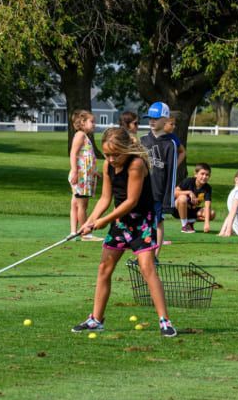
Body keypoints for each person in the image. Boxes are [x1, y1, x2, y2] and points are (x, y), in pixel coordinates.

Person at [72, 126, 177, 337]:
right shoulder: (107, 166)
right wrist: (89, 222)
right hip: (120, 223)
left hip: (142, 223)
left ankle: (165, 321)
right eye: (107, 154)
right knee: (104, 268)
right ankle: (96, 319)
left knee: (147, 268)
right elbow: (105, 199)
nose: (111, 159)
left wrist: (103, 221)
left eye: (115, 154)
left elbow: (131, 201)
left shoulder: (136, 164)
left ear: (126, 149)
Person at [140, 102, 178, 258]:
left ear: (165, 119)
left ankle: (154, 256)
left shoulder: (170, 145)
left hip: (158, 192)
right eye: (150, 118)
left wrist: (168, 201)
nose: (152, 121)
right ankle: (143, 255)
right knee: (143, 224)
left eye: (156, 118)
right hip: (142, 192)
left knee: (158, 222)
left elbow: (172, 173)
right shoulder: (142, 140)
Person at [68, 109, 101, 241]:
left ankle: (73, 232)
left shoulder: (85, 137)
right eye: (91, 121)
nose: (94, 124)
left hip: (85, 175)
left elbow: (86, 157)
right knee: (82, 205)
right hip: (80, 177)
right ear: (82, 122)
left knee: (76, 204)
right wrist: (75, 171)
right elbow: (73, 153)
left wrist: (94, 171)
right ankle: (85, 232)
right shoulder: (80, 135)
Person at [174, 163, 215, 233]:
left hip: (193, 210)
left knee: (212, 213)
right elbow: (174, 192)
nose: (204, 176)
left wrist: (206, 223)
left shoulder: (207, 188)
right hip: (178, 209)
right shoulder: (188, 181)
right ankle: (184, 226)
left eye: (207, 175)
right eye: (202, 174)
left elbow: (207, 205)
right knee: (182, 198)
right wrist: (189, 192)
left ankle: (190, 221)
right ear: (196, 174)